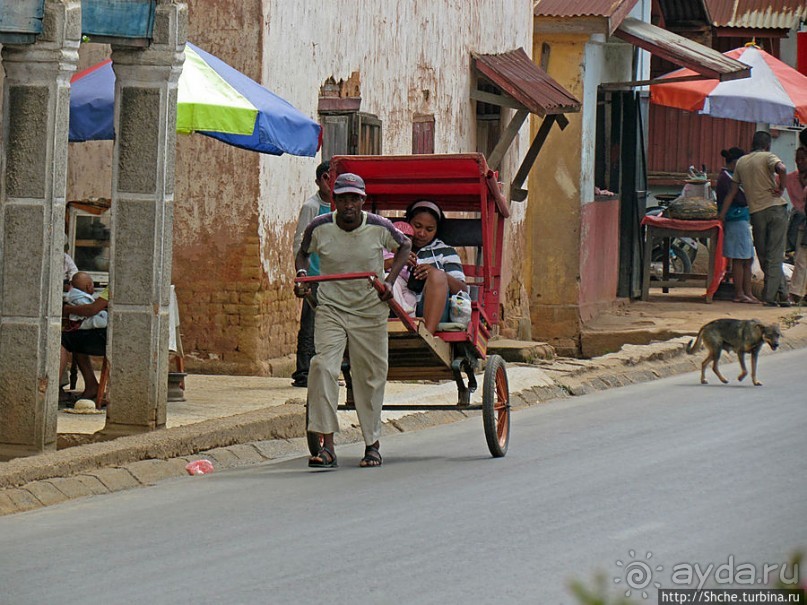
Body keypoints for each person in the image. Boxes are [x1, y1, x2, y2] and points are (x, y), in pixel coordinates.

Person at [295, 172, 411, 468]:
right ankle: (327, 446)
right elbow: (303, 253)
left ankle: (372, 444)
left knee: (369, 376)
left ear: (363, 201)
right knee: (321, 367)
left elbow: (405, 247)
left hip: (369, 310)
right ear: (334, 200)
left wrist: (389, 281)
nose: (348, 205)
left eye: (354, 199)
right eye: (342, 198)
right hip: (331, 308)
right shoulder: (319, 227)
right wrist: (303, 276)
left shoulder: (379, 226)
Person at [721, 131, 790, 307]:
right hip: (775, 209)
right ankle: (770, 296)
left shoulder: (742, 162)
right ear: (767, 145)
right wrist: (782, 187)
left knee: (764, 255)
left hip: (756, 213)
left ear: (752, 143)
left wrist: (721, 215)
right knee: (775, 255)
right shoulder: (768, 156)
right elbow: (782, 169)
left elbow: (732, 192)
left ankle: (782, 295)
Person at [290, 161, 331, 388]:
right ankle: (303, 372)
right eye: (325, 178)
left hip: (335, 276)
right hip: (315, 275)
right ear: (318, 181)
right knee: (310, 323)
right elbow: (300, 243)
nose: (329, 183)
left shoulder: (339, 207)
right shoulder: (312, 207)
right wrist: (302, 274)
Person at [404, 200, 468, 333]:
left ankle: (426, 336)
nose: (421, 233)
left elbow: (462, 290)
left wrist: (435, 273)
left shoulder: (445, 251)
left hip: (432, 311)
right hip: (398, 307)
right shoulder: (393, 246)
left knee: (437, 275)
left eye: (429, 229)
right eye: (417, 226)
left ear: (436, 230)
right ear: (408, 222)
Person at [716, 147, 759, 304]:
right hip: (735, 220)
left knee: (747, 259)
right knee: (739, 259)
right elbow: (738, 198)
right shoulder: (726, 179)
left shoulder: (730, 176)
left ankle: (747, 292)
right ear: (736, 163)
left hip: (742, 219)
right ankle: (739, 292)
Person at [60, 286, 109, 404]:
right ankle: (91, 385)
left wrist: (67, 309)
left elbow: (92, 310)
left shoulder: (116, 284)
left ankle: (52, 389)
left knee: (63, 338)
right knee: (78, 337)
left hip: (108, 339)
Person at [785, 146, 807, 304]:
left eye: (803, 159)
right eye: (797, 160)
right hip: (801, 224)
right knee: (801, 259)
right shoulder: (791, 178)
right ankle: (795, 294)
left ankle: (797, 293)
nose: (799, 162)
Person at [383, 221, 418, 316]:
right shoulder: (384, 251)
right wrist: (395, 260)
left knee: (411, 298)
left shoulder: (411, 254)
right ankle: (402, 308)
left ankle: (411, 319)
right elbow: (379, 265)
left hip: (406, 282)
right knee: (391, 283)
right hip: (392, 278)